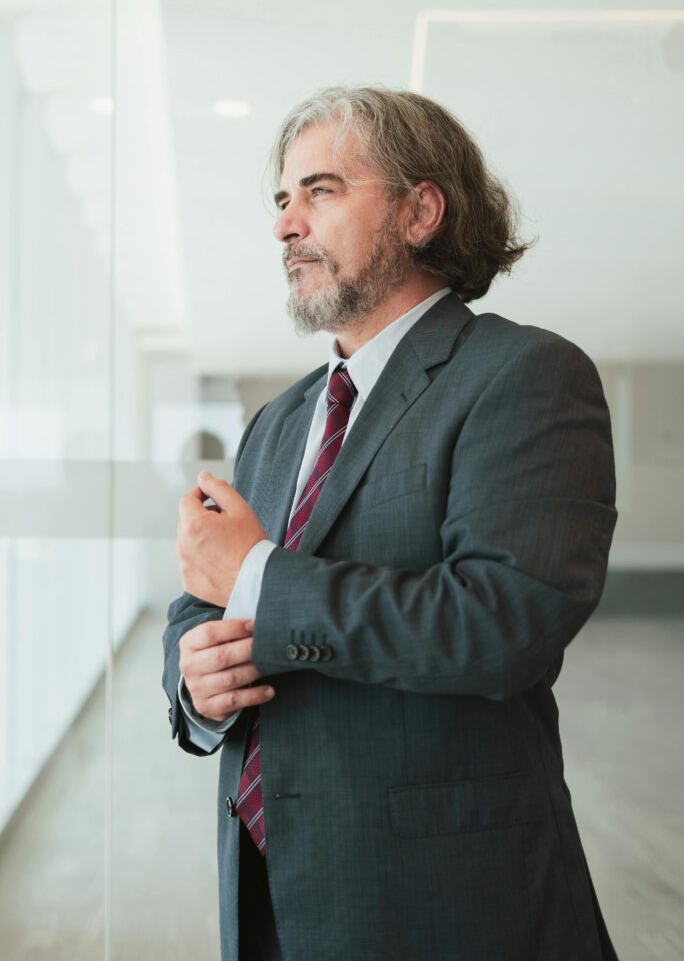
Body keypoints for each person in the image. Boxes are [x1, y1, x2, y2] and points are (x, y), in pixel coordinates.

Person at [162, 86, 620, 961]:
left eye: (321, 190)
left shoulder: (523, 376)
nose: (286, 226)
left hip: (448, 908)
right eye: (282, 199)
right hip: (270, 892)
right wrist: (196, 682)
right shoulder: (279, 421)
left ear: (420, 210)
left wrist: (257, 579)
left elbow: (503, 623)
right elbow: (209, 602)